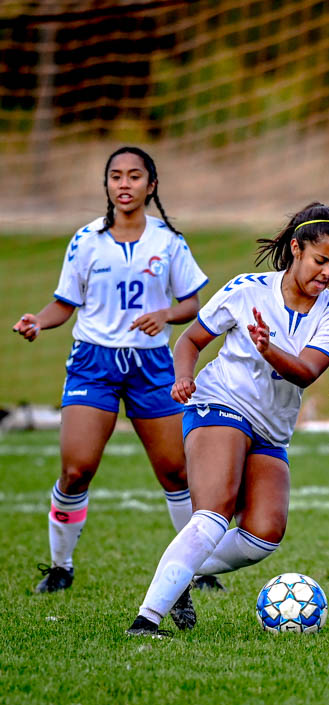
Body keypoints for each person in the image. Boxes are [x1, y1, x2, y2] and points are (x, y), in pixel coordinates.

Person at [125, 203, 329, 637]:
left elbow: (305, 371)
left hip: (270, 429)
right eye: (320, 260)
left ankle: (181, 570)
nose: (328, 272)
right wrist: (183, 377)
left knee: (264, 535)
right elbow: (190, 341)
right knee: (214, 513)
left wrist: (269, 350)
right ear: (296, 249)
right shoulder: (245, 289)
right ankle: (146, 621)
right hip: (219, 403)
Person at [12, 146, 208, 595]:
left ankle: (196, 567)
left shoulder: (169, 242)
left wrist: (166, 314)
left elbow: (192, 304)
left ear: (151, 185)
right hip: (93, 363)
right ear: (107, 185)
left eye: (135, 176)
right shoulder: (85, 240)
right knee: (77, 469)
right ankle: (61, 566)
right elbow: (65, 304)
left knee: (177, 472)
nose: (124, 184)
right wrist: (38, 321)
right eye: (116, 176)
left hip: (151, 364)